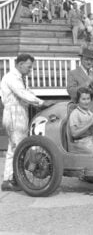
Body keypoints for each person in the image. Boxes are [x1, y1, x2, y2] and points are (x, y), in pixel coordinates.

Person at [0, 54, 52, 191]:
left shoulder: (19, 78)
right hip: (14, 114)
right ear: (20, 64)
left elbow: (27, 92)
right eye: (29, 67)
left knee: (15, 147)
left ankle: (10, 178)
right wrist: (41, 102)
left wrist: (36, 100)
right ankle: (14, 178)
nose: (30, 70)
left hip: (20, 112)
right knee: (19, 148)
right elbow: (22, 93)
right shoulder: (11, 78)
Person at [68, 87, 93, 155]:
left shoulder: (89, 112)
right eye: (83, 99)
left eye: (88, 99)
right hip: (81, 142)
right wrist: (90, 123)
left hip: (91, 140)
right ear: (78, 100)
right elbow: (74, 134)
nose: (86, 102)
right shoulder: (75, 114)